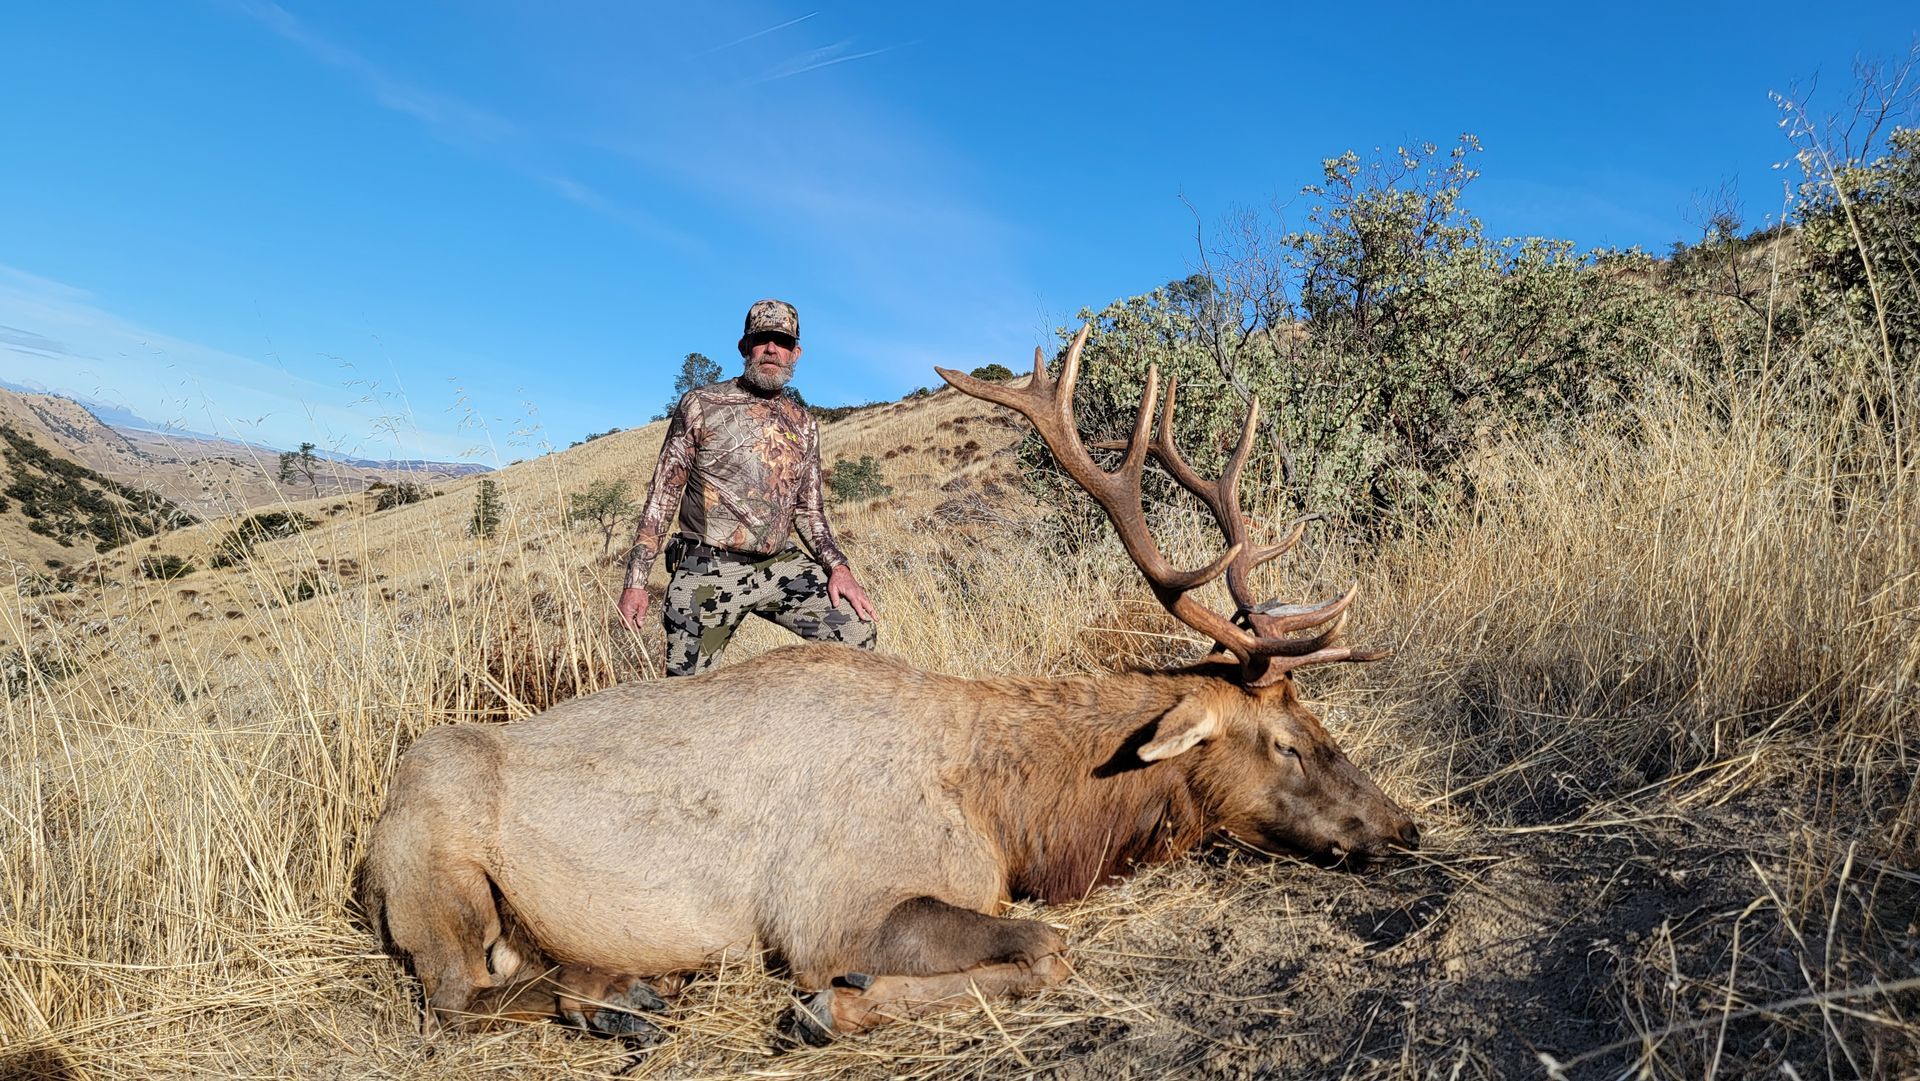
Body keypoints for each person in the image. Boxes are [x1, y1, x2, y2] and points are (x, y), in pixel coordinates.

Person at [617, 299, 877, 676]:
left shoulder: (803, 423)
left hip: (778, 565)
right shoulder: (702, 404)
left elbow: (809, 510)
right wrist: (636, 582)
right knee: (686, 693)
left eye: (783, 341)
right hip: (709, 566)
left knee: (857, 631)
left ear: (796, 353)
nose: (772, 349)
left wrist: (839, 567)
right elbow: (662, 495)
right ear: (745, 347)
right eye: (762, 339)